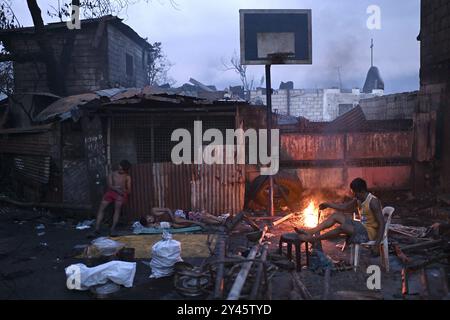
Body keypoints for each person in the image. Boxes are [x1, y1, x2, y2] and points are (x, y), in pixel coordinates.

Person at [294, 178, 385, 249]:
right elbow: (344, 207)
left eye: (354, 193)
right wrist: (328, 204)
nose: (353, 195)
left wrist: (376, 244)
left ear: (361, 191)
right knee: (336, 216)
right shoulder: (359, 199)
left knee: (343, 227)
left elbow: (382, 224)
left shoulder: (373, 202)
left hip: (369, 233)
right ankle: (310, 232)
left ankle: (314, 239)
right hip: (361, 226)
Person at [92, 160, 132, 237]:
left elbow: (129, 190)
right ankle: (96, 228)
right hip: (111, 192)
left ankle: (112, 229)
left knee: (117, 210)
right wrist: (116, 189)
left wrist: (123, 190)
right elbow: (110, 185)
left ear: (125, 169)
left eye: (122, 170)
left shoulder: (127, 177)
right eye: (120, 168)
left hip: (121, 194)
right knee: (101, 209)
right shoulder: (112, 174)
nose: (120, 170)